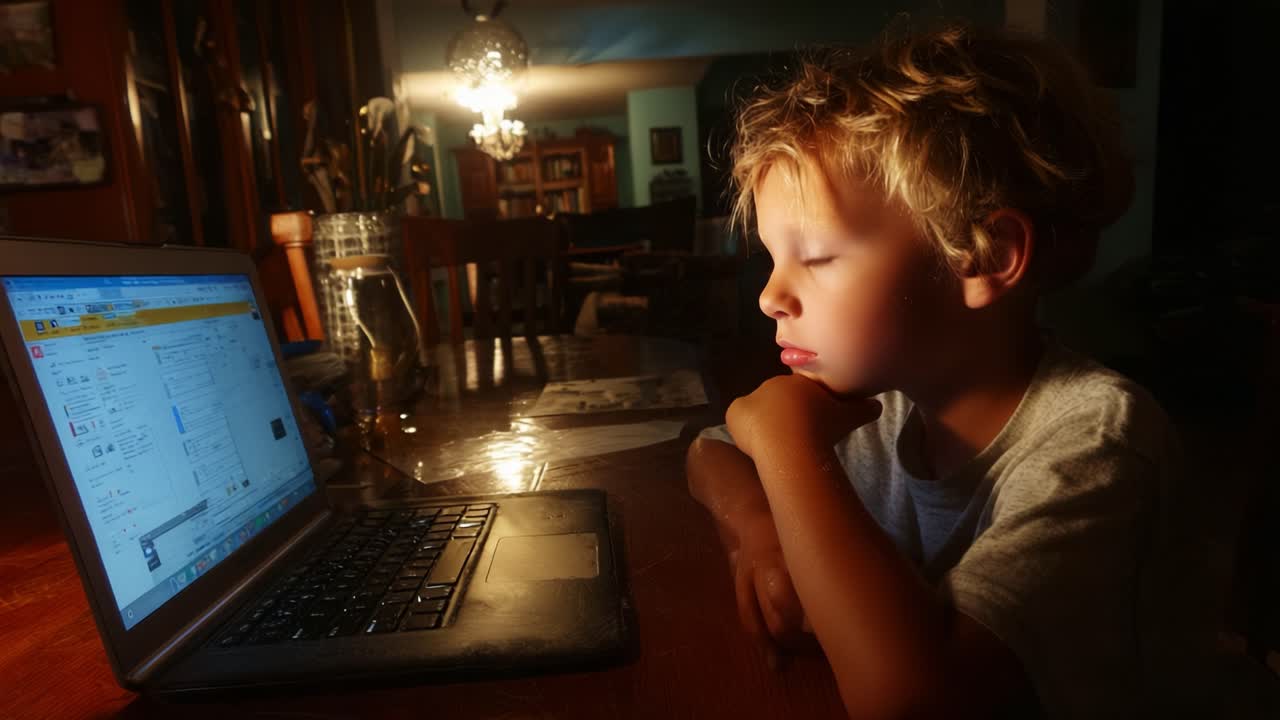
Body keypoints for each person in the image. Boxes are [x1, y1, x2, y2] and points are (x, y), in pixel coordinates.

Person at [687, 22, 1214, 718]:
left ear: (985, 256)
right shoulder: (895, 404)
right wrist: (756, 533)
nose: (770, 296)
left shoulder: (1096, 443)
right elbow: (709, 455)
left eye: (814, 257)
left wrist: (786, 447)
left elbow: (911, 701)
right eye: (773, 258)